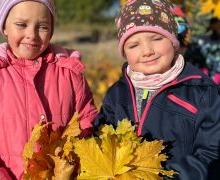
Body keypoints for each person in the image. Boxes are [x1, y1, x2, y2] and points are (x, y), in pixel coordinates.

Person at [0, 0, 98, 179]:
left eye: (42, 27)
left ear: (51, 30)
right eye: (21, 25)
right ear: (4, 27)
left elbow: (87, 125)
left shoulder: (70, 76)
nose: (32, 35)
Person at [93, 0, 220, 179]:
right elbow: (101, 141)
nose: (147, 51)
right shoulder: (117, 93)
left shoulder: (202, 92)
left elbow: (211, 154)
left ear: (173, 41)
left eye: (157, 38)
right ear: (125, 52)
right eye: (133, 45)